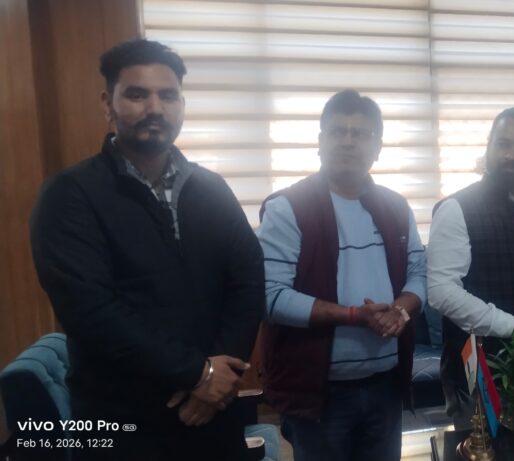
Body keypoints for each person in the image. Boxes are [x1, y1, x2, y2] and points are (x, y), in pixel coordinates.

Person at [29, 39, 264, 460]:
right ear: (109, 103)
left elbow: (247, 279)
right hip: (123, 424)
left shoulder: (211, 188)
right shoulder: (70, 194)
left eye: (168, 95)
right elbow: (91, 312)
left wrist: (220, 374)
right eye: (137, 94)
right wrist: (196, 374)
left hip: (214, 417)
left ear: (182, 104)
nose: (155, 108)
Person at [257, 90, 425, 461]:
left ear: (377, 147)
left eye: (360, 133)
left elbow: (419, 273)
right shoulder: (288, 207)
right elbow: (269, 296)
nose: (348, 141)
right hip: (318, 392)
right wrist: (353, 315)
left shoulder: (396, 207)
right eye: (337, 131)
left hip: (386, 387)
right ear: (320, 142)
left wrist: (401, 310)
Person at [427, 107, 514, 430]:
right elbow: (442, 292)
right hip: (475, 375)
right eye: (503, 144)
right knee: (478, 449)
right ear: (489, 146)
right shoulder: (456, 209)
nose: (511, 155)